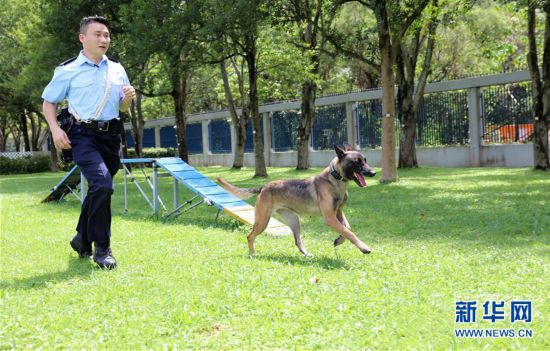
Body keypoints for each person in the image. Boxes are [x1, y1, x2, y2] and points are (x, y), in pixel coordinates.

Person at [42, 16, 135, 269]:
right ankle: (102, 249)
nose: (104, 39)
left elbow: (122, 106)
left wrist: (128, 98)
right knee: (103, 185)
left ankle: (81, 238)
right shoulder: (67, 70)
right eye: (98, 34)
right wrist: (55, 129)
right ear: (83, 38)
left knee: (98, 189)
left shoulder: (117, 69)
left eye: (106, 34)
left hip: (110, 135)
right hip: (82, 135)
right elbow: (49, 101)